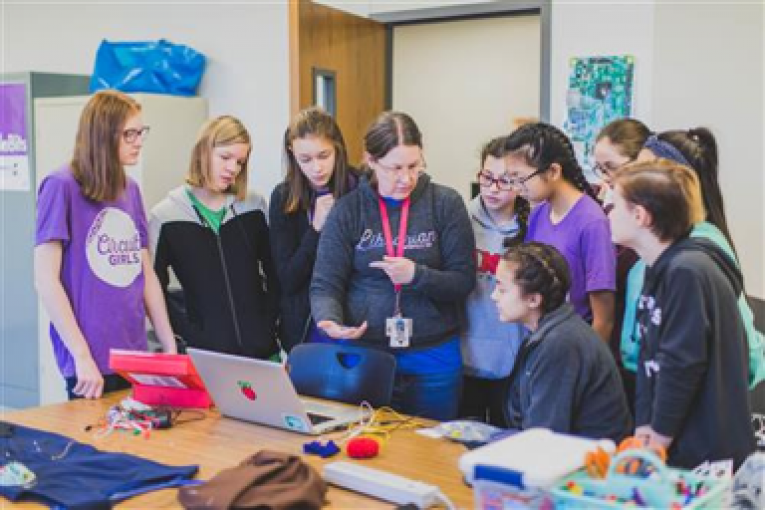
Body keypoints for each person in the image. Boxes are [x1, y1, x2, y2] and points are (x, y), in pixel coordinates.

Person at [310, 111, 475, 420]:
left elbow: (463, 281)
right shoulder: (349, 210)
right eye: (395, 168)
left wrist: (417, 275)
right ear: (371, 161)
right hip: (366, 355)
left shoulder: (445, 204)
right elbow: (325, 284)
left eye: (414, 165)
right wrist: (330, 320)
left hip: (433, 357)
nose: (406, 178)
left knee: (432, 458)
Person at [609, 159, 755, 469]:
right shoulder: (655, 267)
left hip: (705, 450)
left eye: (615, 205)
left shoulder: (686, 271)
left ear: (640, 216)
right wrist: (643, 435)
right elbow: (650, 361)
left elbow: (681, 364)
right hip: (676, 441)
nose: (607, 211)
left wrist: (657, 444)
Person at [35, 90, 177, 400]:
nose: (139, 141)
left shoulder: (131, 190)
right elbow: (46, 280)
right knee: (96, 446)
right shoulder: (60, 186)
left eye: (142, 132)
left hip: (133, 352)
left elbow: (145, 273)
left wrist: (168, 345)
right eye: (130, 134)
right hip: (90, 360)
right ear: (102, 135)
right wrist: (82, 356)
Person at [620, 128, 765, 391]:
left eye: (644, 172)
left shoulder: (691, 258)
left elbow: (743, 355)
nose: (631, 181)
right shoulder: (657, 253)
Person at [150, 116, 278, 359]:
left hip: (263, 354)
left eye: (240, 161)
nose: (233, 169)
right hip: (205, 359)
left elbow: (274, 272)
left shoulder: (253, 205)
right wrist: (187, 333)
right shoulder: (165, 216)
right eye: (225, 157)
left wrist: (267, 324)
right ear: (203, 151)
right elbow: (153, 289)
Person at [491, 242, 631, 441]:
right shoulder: (553, 332)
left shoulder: (560, 344)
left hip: (590, 465)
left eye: (502, 290)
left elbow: (543, 438)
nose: (493, 296)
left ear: (533, 300)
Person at [504, 122, 616, 343]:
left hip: (573, 344)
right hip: (542, 341)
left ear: (553, 171)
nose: (516, 188)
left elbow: (603, 320)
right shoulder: (538, 213)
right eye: (511, 180)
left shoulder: (592, 222)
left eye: (520, 179)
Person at [269, 107, 359, 352]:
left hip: (354, 321)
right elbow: (288, 279)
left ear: (337, 148)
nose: (316, 168)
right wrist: (316, 229)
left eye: (324, 155)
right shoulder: (283, 197)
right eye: (305, 159)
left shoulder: (360, 188)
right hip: (305, 329)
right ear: (292, 154)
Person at [459, 136, 529, 423]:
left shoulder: (533, 224)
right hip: (467, 351)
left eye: (505, 180)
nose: (493, 188)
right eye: (487, 177)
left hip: (512, 357)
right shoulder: (461, 218)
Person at [591, 118, 650, 410]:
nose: (605, 177)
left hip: (640, 351)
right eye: (599, 168)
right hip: (615, 346)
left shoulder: (652, 223)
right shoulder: (607, 207)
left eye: (611, 167)